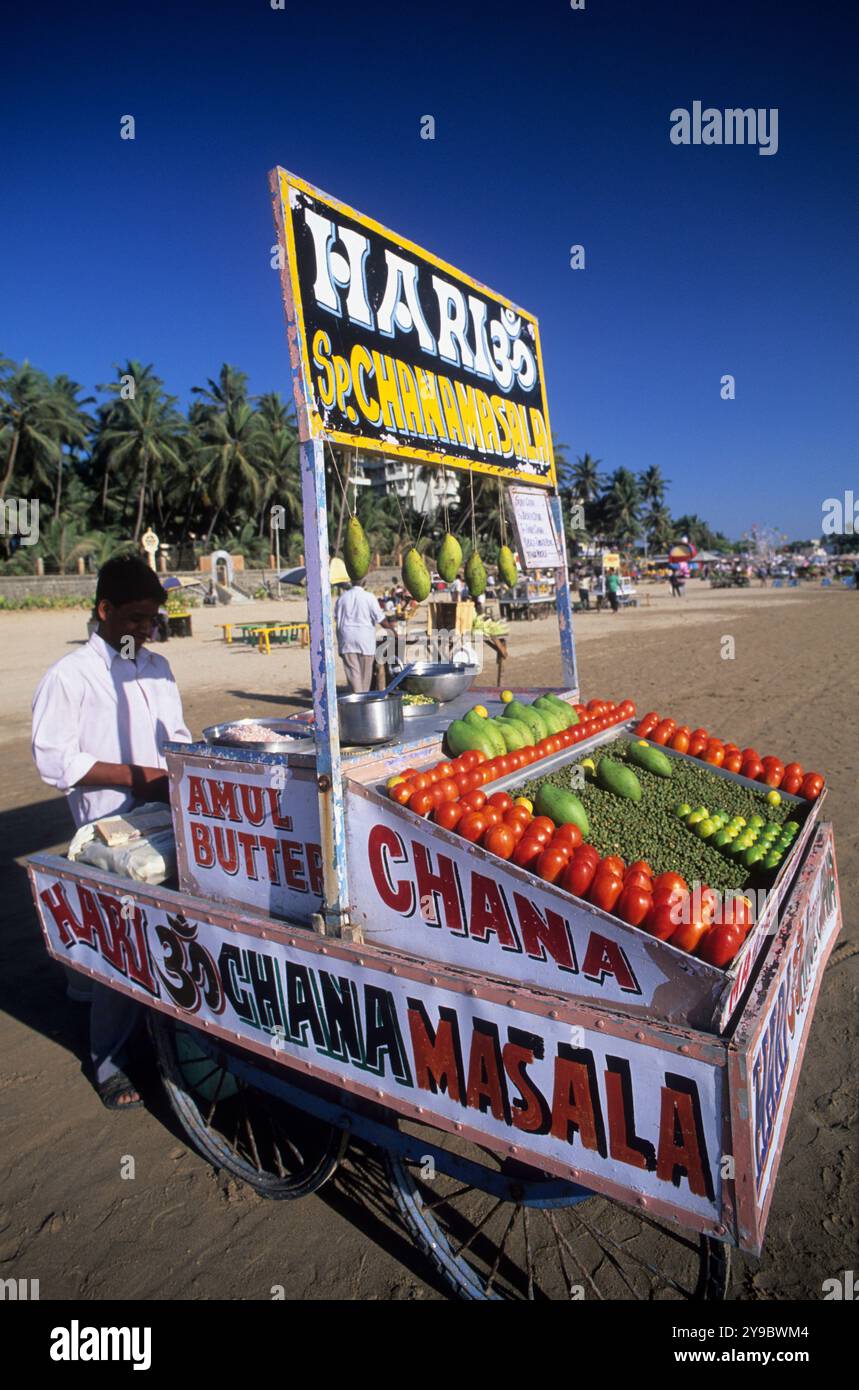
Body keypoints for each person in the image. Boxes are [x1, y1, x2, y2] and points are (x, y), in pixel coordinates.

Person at [32, 555, 192, 1110]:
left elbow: (177, 736)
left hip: (165, 819)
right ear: (104, 611)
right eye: (135, 618)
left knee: (171, 931)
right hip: (109, 832)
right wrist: (138, 781)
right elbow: (55, 762)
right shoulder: (70, 677)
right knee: (119, 945)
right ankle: (108, 1060)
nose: (146, 629)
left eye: (153, 619)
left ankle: (168, 1030)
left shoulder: (158, 668)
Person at [335, 580, 398, 692]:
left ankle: (357, 698)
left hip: (347, 639)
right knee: (365, 676)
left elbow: (337, 619)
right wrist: (393, 632)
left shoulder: (342, 598)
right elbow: (381, 619)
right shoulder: (369, 597)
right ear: (364, 582)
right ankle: (363, 700)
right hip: (365, 640)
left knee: (353, 675)